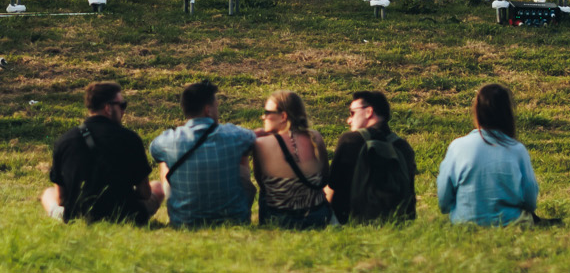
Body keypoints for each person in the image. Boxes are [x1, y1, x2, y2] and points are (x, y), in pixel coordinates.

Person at [42, 81, 162, 224]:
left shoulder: (64, 141)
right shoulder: (130, 138)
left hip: (79, 217)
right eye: (122, 105)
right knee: (158, 187)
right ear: (108, 108)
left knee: (48, 193)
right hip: (125, 215)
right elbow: (145, 193)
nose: (124, 110)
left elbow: (61, 199)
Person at [149, 79, 258, 228]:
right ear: (208, 109)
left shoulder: (167, 140)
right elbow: (254, 139)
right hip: (233, 220)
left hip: (184, 222)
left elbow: (154, 150)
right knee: (242, 154)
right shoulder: (234, 135)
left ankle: (180, 210)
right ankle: (236, 211)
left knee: (164, 160)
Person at [438, 83, 541, 226]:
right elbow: (530, 202)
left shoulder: (457, 146)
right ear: (508, 113)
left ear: (477, 111)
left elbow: (443, 199)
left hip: (464, 222)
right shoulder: (517, 150)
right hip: (510, 223)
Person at [325, 89, 419, 223]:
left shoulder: (350, 140)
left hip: (352, 220)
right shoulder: (403, 146)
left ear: (369, 112)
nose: (349, 120)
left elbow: (333, 185)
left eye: (352, 113)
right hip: (397, 221)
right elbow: (410, 192)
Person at [253, 90, 333, 228]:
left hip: (280, 221)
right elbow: (325, 177)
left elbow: (262, 184)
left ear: (283, 116)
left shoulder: (261, 143)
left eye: (267, 113)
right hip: (317, 216)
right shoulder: (315, 137)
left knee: (265, 193)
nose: (263, 117)